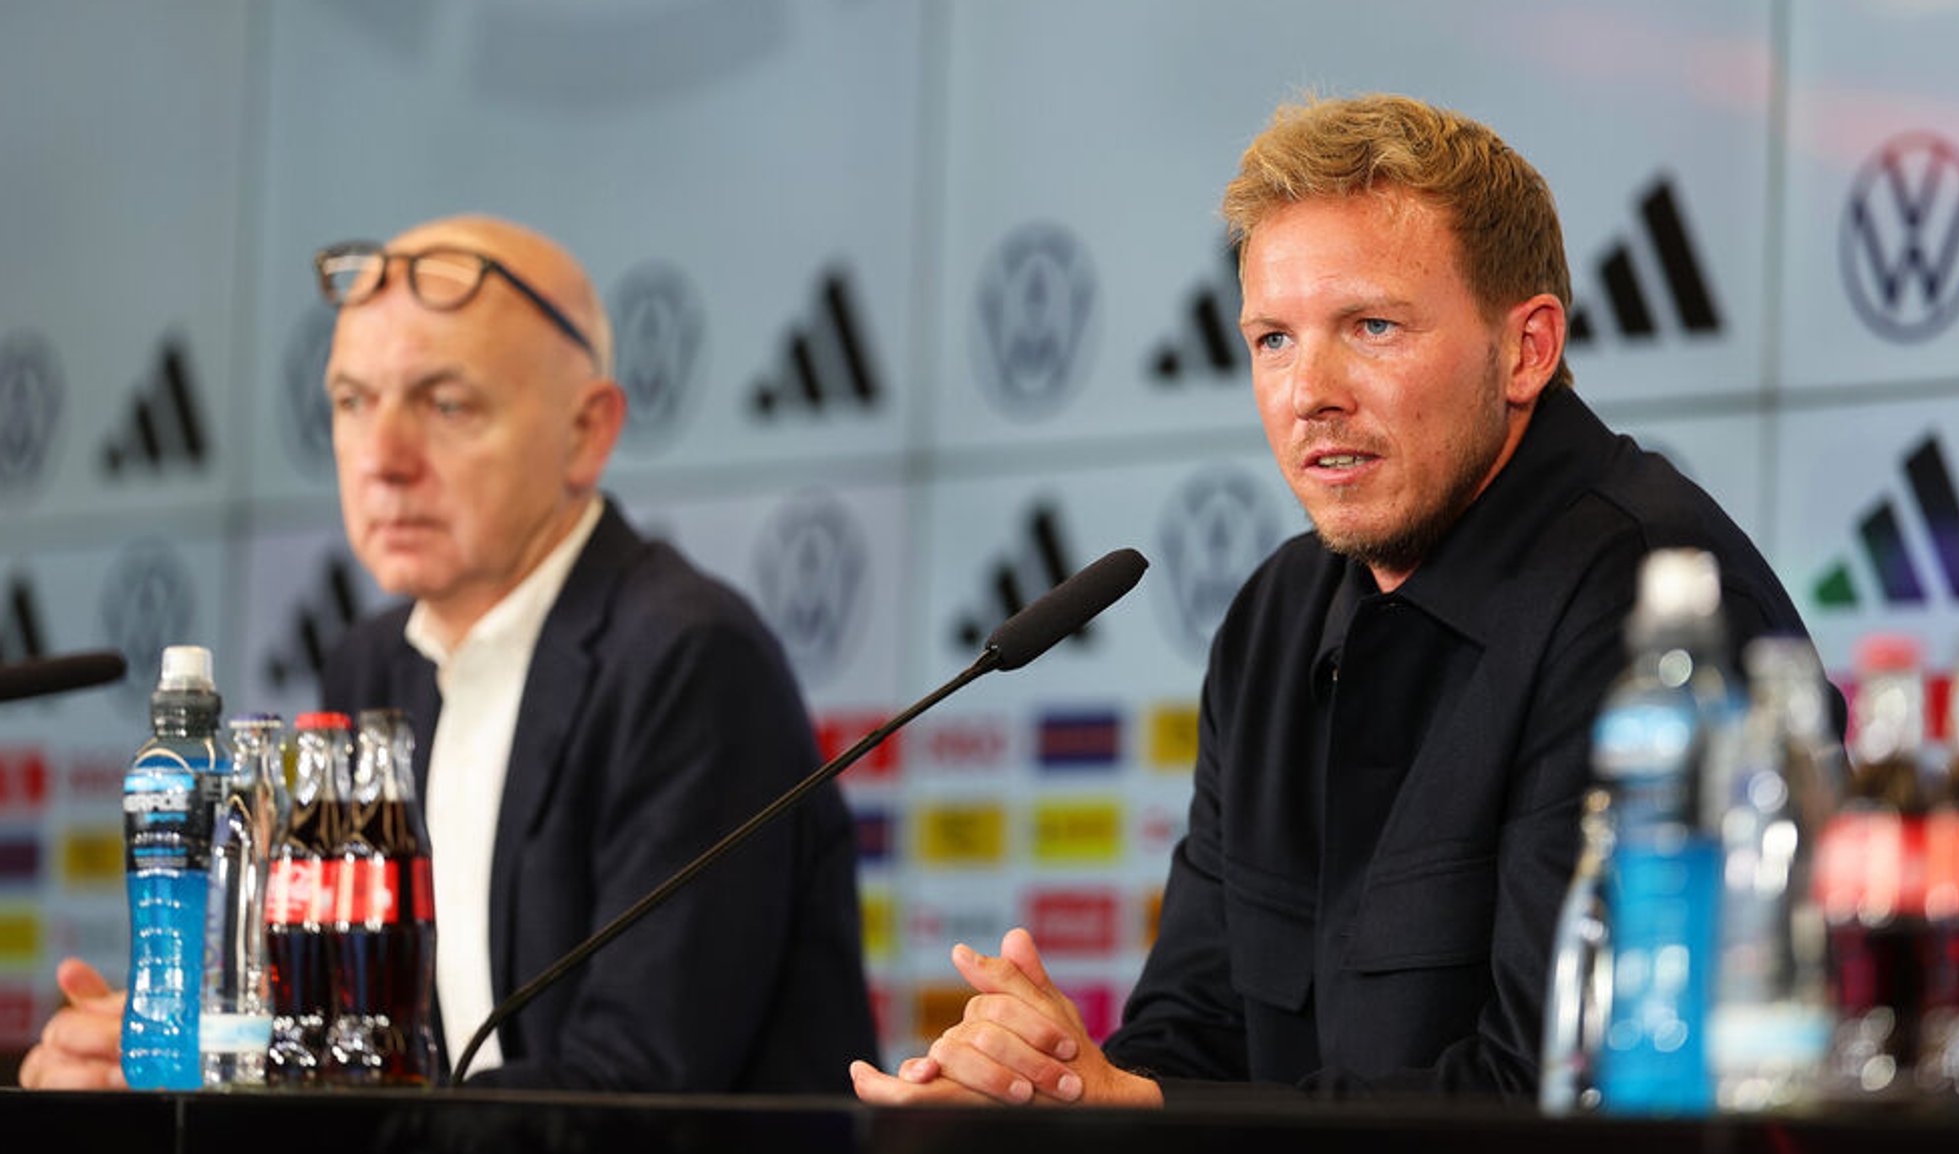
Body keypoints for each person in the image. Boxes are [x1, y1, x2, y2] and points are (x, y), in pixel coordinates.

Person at [851, 93, 1826, 1106]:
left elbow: (1558, 1092)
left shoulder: (1654, 612)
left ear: (1525, 348)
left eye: (1369, 326)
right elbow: (1196, 1030)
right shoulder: (1276, 614)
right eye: (1271, 338)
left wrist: (1136, 1107)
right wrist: (1049, 1089)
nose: (1308, 390)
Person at [20, 214, 876, 1092]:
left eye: (446, 404)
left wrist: (271, 1108)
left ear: (587, 433)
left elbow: (640, 1084)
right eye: (353, 402)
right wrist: (181, 1062)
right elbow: (340, 1035)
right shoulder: (370, 669)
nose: (383, 459)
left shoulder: (688, 660)